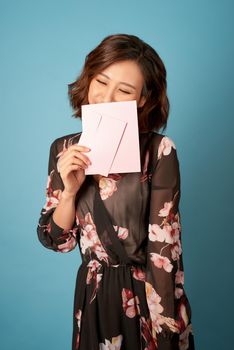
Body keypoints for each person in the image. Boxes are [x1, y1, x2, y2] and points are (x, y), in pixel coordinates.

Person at [37, 33, 195, 350]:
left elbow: (164, 246)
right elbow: (57, 241)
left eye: (123, 90)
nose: (106, 98)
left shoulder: (159, 150)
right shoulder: (63, 149)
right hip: (92, 295)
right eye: (101, 82)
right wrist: (69, 192)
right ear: (88, 79)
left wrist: (166, 331)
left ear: (142, 100)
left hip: (148, 295)